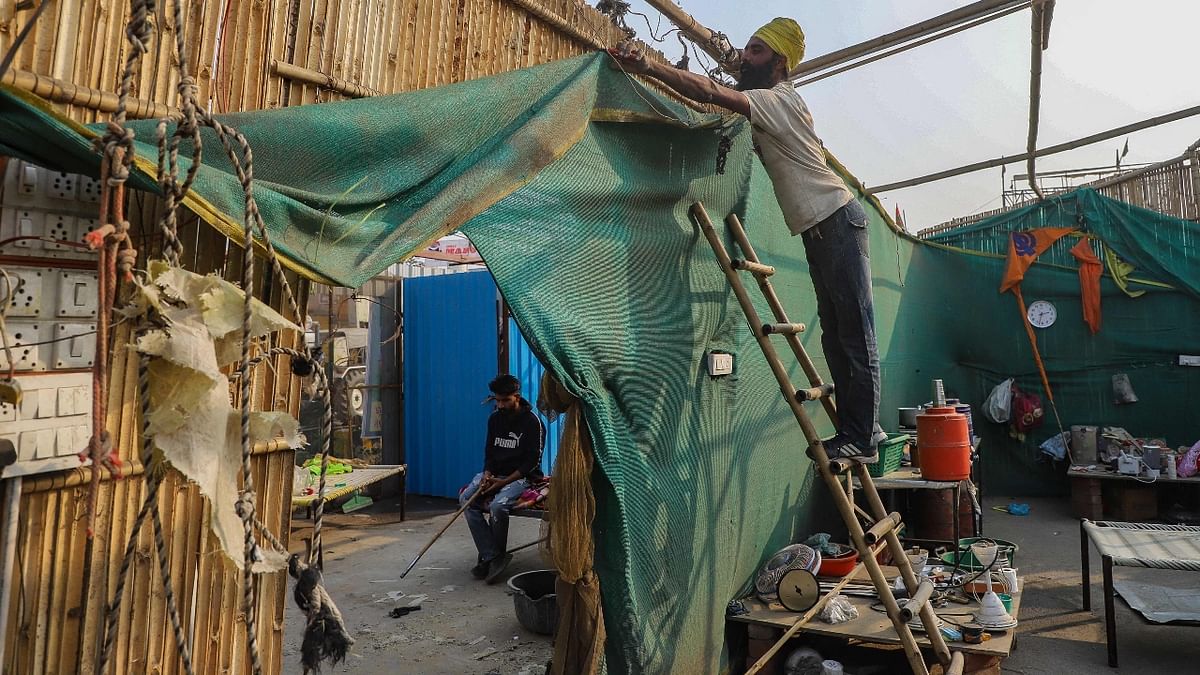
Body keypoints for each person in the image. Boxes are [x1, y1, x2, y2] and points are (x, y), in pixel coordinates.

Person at [607, 18, 884, 463]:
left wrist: (650, 67)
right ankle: (861, 426)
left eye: (755, 51)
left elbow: (713, 93)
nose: (745, 59)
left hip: (836, 220)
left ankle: (863, 436)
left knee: (855, 333)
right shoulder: (770, 102)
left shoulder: (778, 100)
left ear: (779, 62)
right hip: (821, 228)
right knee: (835, 335)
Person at [460, 374, 545, 583]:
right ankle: (493, 556)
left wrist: (503, 483)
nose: (500, 405)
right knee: (467, 501)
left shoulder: (533, 422)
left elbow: (531, 463)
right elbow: (489, 453)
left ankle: (491, 559)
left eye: (505, 400)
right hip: (495, 475)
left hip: (522, 477)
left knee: (498, 506)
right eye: (497, 400)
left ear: (517, 397)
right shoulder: (495, 418)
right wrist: (488, 475)